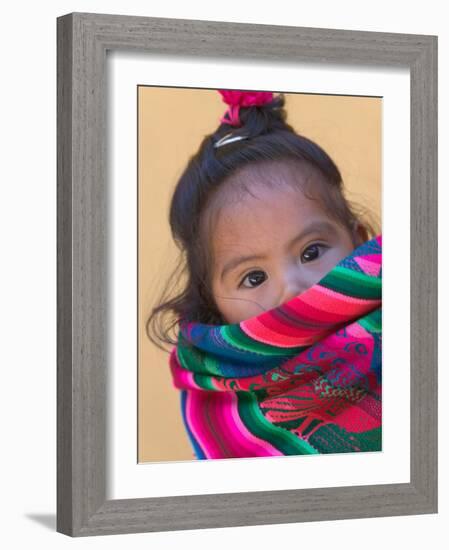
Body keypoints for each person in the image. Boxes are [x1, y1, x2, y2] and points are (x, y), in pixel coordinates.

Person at [146, 89, 382, 459]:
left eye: (311, 252)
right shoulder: (223, 405)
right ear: (214, 304)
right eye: (254, 278)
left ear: (359, 241)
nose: (293, 288)